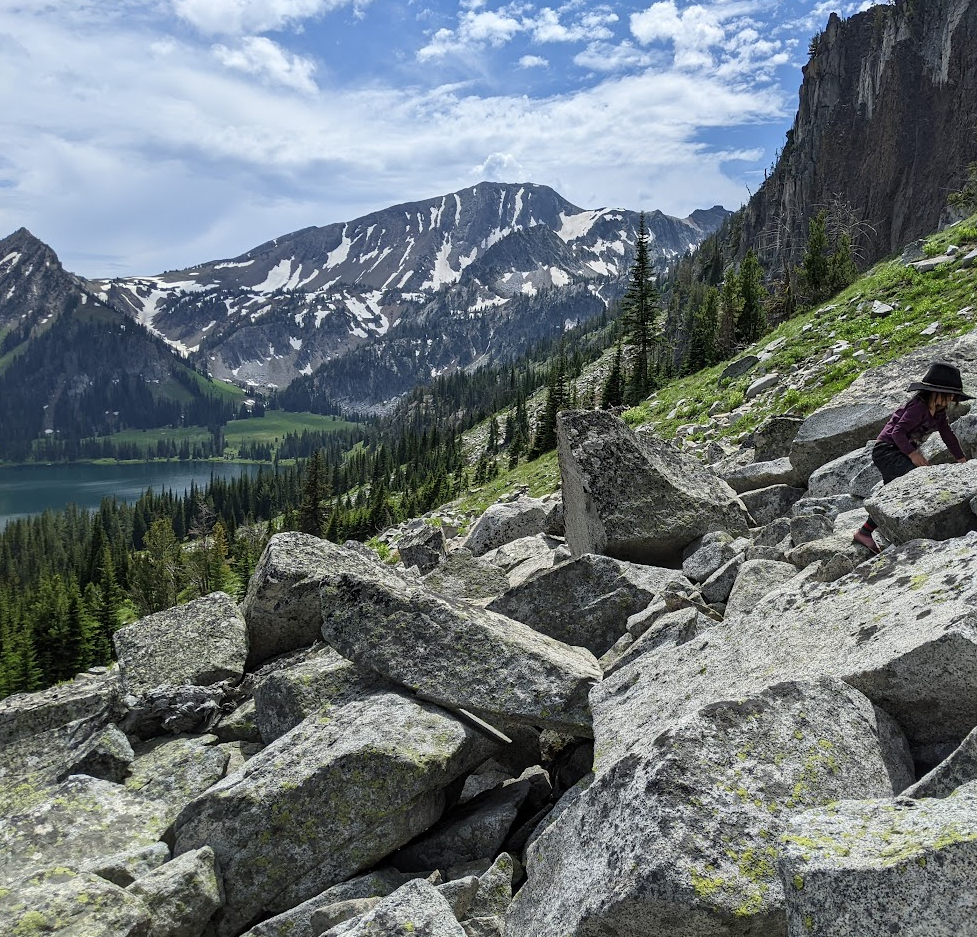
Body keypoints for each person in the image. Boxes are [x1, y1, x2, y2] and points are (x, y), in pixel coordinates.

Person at [853, 361, 972, 554]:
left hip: (900, 451)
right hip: (887, 451)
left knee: (892, 492)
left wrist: (961, 460)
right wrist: (913, 454)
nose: (951, 400)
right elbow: (897, 432)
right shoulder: (918, 407)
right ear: (935, 392)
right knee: (910, 481)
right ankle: (878, 530)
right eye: (949, 395)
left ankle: (864, 532)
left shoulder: (939, 412)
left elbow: (948, 435)